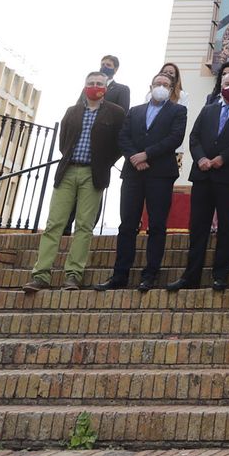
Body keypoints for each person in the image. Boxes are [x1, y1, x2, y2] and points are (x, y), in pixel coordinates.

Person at [24, 71, 123, 293]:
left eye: (99, 83)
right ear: (84, 86)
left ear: (106, 88)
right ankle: (40, 275)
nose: (95, 86)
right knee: (54, 224)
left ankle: (73, 276)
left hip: (93, 174)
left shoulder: (116, 113)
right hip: (68, 171)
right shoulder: (73, 111)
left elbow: (119, 144)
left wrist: (104, 163)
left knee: (84, 226)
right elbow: (63, 142)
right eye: (91, 83)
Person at [95, 72, 189, 292]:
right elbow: (123, 137)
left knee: (156, 225)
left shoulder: (178, 111)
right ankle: (120, 275)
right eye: (158, 83)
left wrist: (146, 154)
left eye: (166, 84)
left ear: (171, 88)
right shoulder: (135, 111)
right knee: (127, 225)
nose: (161, 86)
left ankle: (150, 275)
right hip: (133, 174)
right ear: (151, 85)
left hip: (160, 174)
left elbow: (175, 138)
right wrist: (134, 158)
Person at [168, 69, 229, 292]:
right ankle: (191, 276)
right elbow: (194, 137)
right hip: (203, 175)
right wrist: (200, 159)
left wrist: (222, 158)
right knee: (198, 227)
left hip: (228, 176)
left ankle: (220, 275)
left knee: (226, 227)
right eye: (227, 82)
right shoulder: (208, 110)